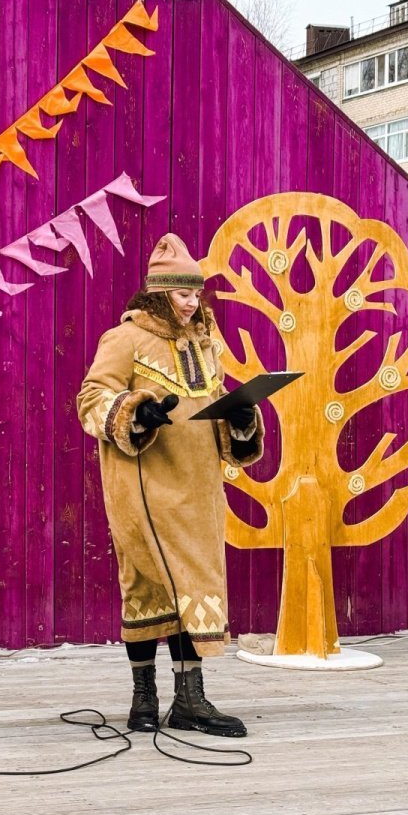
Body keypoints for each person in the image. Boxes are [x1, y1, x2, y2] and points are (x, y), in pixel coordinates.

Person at [75, 234, 265, 737]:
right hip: (145, 486)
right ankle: (144, 696)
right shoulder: (125, 339)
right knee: (145, 586)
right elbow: (91, 398)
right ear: (160, 293)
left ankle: (189, 700)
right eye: (184, 294)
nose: (192, 303)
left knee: (193, 585)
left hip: (199, 489)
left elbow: (213, 401)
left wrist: (240, 418)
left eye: (197, 294)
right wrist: (138, 413)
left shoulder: (205, 343)